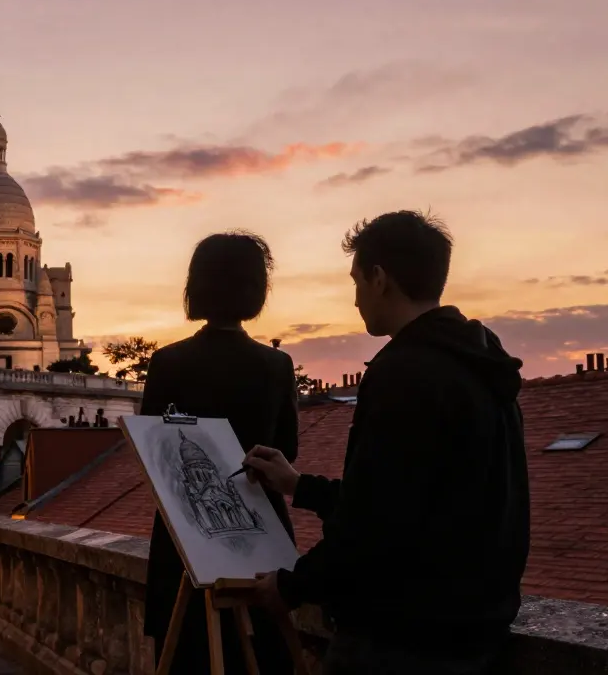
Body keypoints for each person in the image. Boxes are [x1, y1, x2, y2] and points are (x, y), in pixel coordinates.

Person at [244, 211, 530, 675]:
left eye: (357, 281)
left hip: (401, 639)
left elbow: (376, 524)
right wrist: (300, 486)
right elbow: (419, 500)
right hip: (475, 630)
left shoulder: (405, 373)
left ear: (380, 279)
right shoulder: (482, 364)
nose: (355, 300)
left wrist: (292, 586)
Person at [140, 231, 299, 674]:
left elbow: (154, 457)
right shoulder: (276, 365)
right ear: (256, 289)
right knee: (268, 657)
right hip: (262, 537)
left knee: (187, 654)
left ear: (197, 287)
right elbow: (288, 454)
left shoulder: (169, 362)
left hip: (187, 540)